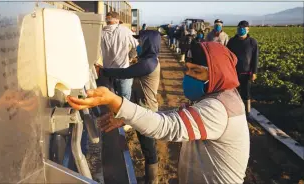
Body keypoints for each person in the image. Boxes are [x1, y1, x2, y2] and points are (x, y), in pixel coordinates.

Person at [67, 42, 250, 184]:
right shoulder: (220, 96)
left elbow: (166, 127)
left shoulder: (218, 108)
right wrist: (125, 119)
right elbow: (175, 115)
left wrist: (114, 101)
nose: (188, 76)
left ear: (218, 73)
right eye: (187, 69)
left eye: (196, 71)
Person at [96, 30, 161, 184]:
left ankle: (152, 180)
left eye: (141, 42)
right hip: (142, 107)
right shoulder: (147, 60)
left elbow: (125, 73)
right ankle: (149, 178)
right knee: (146, 146)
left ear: (148, 43)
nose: (138, 45)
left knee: (148, 148)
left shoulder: (148, 63)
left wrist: (103, 70)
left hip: (146, 110)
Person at [101, 12, 138, 100]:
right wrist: (131, 56)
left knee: (111, 100)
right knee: (125, 100)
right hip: (123, 70)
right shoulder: (124, 30)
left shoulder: (101, 32)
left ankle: (113, 113)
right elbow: (138, 45)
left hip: (107, 71)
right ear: (117, 20)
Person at [227, 20, 259, 117]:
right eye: (239, 28)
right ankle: (233, 112)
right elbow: (227, 56)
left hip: (246, 73)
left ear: (248, 30)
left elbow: (255, 58)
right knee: (233, 93)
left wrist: (254, 72)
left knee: (246, 93)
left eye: (243, 28)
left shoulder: (252, 42)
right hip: (233, 72)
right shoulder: (232, 41)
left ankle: (247, 113)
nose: (241, 30)